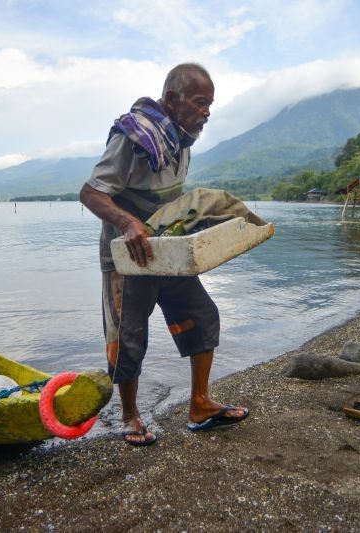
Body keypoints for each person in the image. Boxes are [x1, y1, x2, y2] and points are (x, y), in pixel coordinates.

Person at [79, 63, 248, 446]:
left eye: (211, 104)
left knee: (202, 317)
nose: (207, 111)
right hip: (127, 257)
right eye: (200, 102)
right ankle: (130, 416)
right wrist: (126, 221)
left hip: (168, 254)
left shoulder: (180, 141)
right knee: (128, 337)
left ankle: (200, 404)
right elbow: (90, 193)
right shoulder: (133, 138)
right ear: (172, 100)